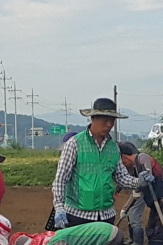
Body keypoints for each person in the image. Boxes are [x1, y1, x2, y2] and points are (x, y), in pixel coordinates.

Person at [50, 98, 147, 229]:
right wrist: (59, 207)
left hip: (106, 216)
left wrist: (138, 182)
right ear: (93, 118)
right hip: (78, 215)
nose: (109, 125)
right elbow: (61, 179)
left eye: (112, 121)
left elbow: (121, 177)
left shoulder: (113, 148)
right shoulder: (75, 144)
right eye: (105, 120)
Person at [117, 139, 163, 245]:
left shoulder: (141, 158)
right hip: (155, 201)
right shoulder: (135, 168)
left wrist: (148, 173)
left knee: (159, 230)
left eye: (122, 162)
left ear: (124, 156)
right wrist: (126, 209)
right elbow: (137, 191)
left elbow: (147, 166)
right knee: (150, 230)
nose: (123, 165)